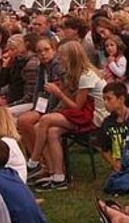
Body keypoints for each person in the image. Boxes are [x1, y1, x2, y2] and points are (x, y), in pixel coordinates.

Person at [28, 41, 106, 190]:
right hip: (85, 113)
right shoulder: (76, 74)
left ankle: (34, 161)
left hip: (95, 116)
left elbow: (77, 106)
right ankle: (57, 176)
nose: (60, 59)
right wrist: (63, 88)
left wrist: (59, 93)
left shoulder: (86, 76)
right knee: (50, 131)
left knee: (44, 120)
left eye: (62, 56)